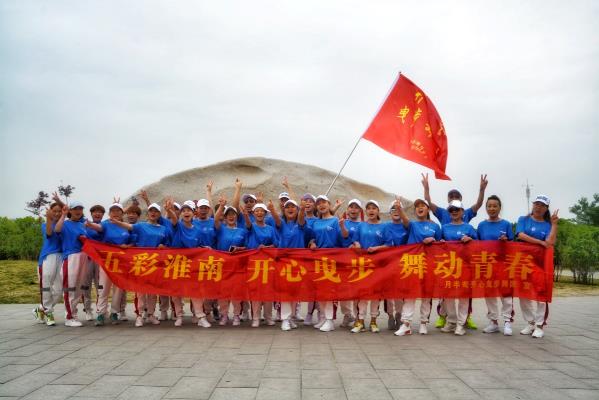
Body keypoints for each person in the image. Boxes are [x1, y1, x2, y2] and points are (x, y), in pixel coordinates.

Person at [422, 173, 488, 330]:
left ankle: (465, 319)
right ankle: (444, 317)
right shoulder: (443, 214)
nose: (453, 200)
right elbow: (429, 203)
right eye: (451, 197)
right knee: (446, 291)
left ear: (461, 206)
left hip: (464, 262)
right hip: (448, 262)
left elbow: (478, 205)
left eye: (456, 197)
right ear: (448, 201)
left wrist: (481, 190)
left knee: (464, 291)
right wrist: (426, 188)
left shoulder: (467, 218)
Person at [110, 202, 169, 327]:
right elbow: (129, 226)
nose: (153, 213)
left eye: (156, 211)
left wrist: (163, 245)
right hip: (141, 262)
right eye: (151, 211)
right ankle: (140, 315)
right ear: (147, 213)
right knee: (140, 291)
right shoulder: (141, 225)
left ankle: (151, 314)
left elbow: (166, 243)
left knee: (152, 291)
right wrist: (117, 222)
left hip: (155, 263)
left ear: (159, 214)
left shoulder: (163, 229)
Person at [394, 199, 439, 336]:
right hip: (413, 263)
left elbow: (441, 244)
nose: (420, 208)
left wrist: (433, 240)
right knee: (410, 294)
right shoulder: (412, 225)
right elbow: (405, 220)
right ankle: (406, 324)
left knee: (426, 295)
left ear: (428, 209)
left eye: (422, 206)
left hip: (428, 264)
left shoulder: (435, 226)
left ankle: (423, 323)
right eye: (417, 206)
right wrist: (399, 208)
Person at [516, 195, 558, 339]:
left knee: (541, 293)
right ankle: (530, 323)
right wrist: (539, 242)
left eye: (542, 205)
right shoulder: (523, 219)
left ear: (546, 208)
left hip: (541, 263)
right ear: (533, 205)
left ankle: (540, 325)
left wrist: (554, 225)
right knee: (523, 293)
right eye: (537, 204)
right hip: (523, 262)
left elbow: (550, 242)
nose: (538, 207)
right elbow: (520, 235)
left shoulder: (547, 225)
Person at [166, 199, 211, 328]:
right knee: (176, 292)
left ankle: (200, 316)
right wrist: (169, 210)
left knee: (195, 291)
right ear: (180, 214)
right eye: (184, 211)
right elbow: (174, 219)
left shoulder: (198, 230)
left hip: (192, 264)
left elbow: (199, 245)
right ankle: (179, 316)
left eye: (189, 210)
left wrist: (206, 248)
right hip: (177, 263)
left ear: (193, 213)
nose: (186, 213)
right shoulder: (178, 226)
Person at [85, 203, 131, 326]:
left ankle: (114, 312)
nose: (115, 213)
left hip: (121, 261)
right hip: (107, 260)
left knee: (118, 288)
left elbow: (133, 240)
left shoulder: (125, 226)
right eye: (113, 211)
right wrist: (90, 224)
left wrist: (127, 246)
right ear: (109, 214)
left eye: (118, 211)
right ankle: (101, 313)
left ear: (122, 213)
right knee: (103, 287)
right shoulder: (106, 224)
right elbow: (99, 228)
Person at [308, 195, 350, 332]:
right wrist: (312, 243)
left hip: (332, 260)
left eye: (324, 202)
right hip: (319, 260)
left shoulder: (335, 221)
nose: (321, 205)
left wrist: (342, 226)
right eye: (319, 203)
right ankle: (324, 318)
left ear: (329, 204)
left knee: (330, 291)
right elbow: (312, 238)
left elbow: (344, 238)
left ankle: (330, 320)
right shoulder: (315, 223)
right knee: (320, 291)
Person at [477, 195, 515, 335]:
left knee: (506, 294)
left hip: (503, 265)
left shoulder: (506, 224)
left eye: (495, 206)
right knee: (489, 294)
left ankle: (507, 322)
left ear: (499, 208)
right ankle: (493, 322)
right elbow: (477, 245)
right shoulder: (481, 225)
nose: (492, 208)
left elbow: (513, 245)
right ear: (486, 208)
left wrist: (506, 241)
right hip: (487, 265)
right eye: (489, 206)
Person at [439, 200, 478, 336]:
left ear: (462, 211)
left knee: (463, 296)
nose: (454, 212)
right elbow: (438, 245)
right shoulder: (444, 228)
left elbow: (479, 245)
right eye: (451, 210)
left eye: (457, 209)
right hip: (448, 266)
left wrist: (471, 240)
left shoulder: (469, 228)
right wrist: (441, 242)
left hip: (465, 266)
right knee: (448, 295)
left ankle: (461, 324)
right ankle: (451, 321)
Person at [350, 200, 387, 334]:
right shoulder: (361, 225)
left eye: (374, 208)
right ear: (365, 211)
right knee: (363, 294)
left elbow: (389, 244)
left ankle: (373, 321)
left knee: (375, 294)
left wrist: (377, 248)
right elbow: (354, 240)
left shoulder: (384, 227)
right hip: (363, 265)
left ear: (378, 211)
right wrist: (357, 243)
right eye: (369, 208)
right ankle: (360, 321)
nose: (371, 210)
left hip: (378, 265)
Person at [243, 201, 280, 327]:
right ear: (253, 213)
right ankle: (256, 317)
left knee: (268, 290)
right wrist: (246, 215)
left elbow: (276, 244)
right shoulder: (251, 227)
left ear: (265, 213)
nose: (259, 213)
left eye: (261, 211)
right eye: (257, 211)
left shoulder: (271, 229)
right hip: (254, 262)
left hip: (268, 263)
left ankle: (268, 316)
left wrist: (267, 247)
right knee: (255, 290)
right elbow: (248, 225)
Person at [214, 195, 248, 326]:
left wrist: (239, 249)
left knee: (236, 292)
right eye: (228, 214)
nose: (231, 216)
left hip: (237, 265)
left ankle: (236, 315)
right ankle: (224, 315)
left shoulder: (242, 231)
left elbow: (247, 247)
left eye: (233, 214)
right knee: (223, 292)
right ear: (225, 217)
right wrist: (222, 206)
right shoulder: (221, 229)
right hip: (223, 265)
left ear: (236, 216)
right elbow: (215, 219)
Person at [54, 201, 88, 327]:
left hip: (83, 256)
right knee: (70, 287)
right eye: (75, 209)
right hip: (71, 257)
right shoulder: (65, 223)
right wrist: (63, 215)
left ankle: (73, 314)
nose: (78, 211)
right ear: (70, 211)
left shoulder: (82, 225)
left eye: (80, 208)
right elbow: (57, 230)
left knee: (78, 288)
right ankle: (69, 317)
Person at [32, 202, 64, 326]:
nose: (57, 213)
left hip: (62, 257)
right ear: (50, 211)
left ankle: (41, 309)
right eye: (54, 211)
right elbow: (50, 233)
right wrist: (48, 218)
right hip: (48, 257)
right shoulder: (45, 224)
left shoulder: (64, 225)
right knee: (46, 286)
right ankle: (49, 313)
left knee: (59, 291)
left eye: (59, 211)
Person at [277, 199, 306, 331]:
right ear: (284, 210)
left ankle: (291, 317)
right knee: (285, 291)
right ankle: (285, 319)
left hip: (298, 263)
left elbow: (301, 219)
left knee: (295, 292)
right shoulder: (282, 224)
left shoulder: (301, 224)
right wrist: (272, 209)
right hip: (284, 263)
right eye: (287, 207)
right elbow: (277, 220)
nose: (290, 209)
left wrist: (303, 209)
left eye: (293, 207)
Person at [382, 199, 410, 331]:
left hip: (402, 264)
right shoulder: (385, 226)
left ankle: (399, 314)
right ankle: (390, 315)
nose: (396, 211)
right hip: (388, 263)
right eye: (393, 209)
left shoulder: (407, 226)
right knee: (388, 292)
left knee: (399, 292)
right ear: (390, 212)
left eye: (398, 209)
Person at [82, 204, 105, 321]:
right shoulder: (85, 225)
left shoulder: (105, 226)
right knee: (85, 285)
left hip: (100, 259)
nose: (97, 213)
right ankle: (87, 310)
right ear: (91, 214)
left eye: (100, 212)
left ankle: (100, 310)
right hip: (87, 258)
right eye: (95, 212)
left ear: (103, 214)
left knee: (100, 286)